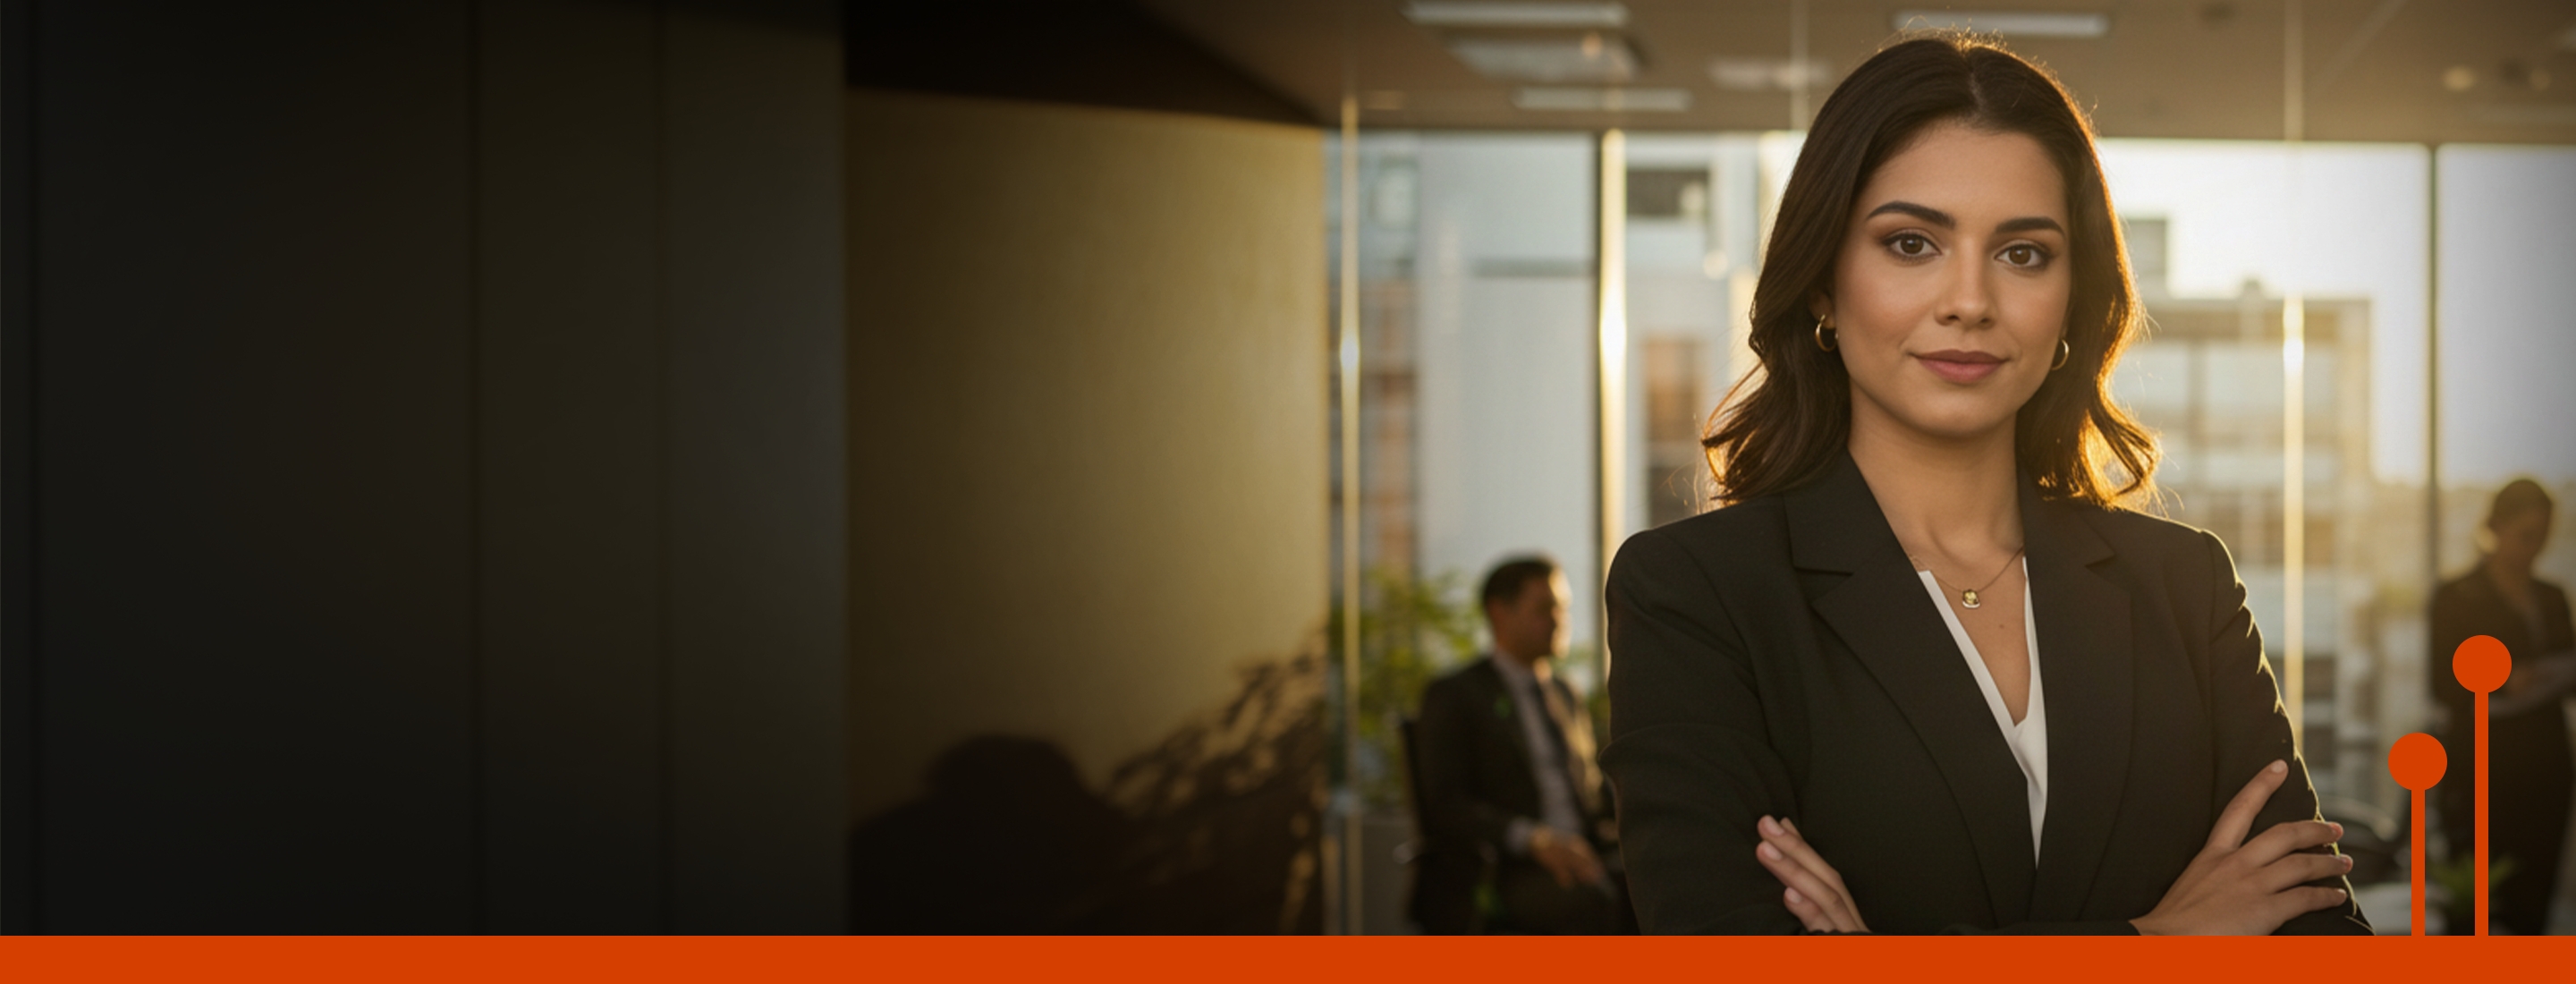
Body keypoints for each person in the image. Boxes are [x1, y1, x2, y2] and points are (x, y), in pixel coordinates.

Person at [1597, 35, 2368, 935]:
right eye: (1911, 243)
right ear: (1822, 287)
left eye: (2023, 253)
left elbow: (2322, 943)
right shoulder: (1696, 592)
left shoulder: (2184, 585)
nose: (1970, 300)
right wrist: (2161, 942)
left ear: (2073, 297)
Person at [1410, 556, 1628, 934]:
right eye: (1544, 609)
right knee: (1597, 902)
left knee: (1666, 882)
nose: (1559, 620)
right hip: (1508, 870)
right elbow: (1447, 804)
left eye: (1563, 608)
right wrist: (1536, 841)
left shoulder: (1566, 694)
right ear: (1499, 613)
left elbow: (1595, 792)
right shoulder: (1457, 695)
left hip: (1587, 851)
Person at [2431, 479, 2575, 935]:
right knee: (2474, 905)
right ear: (2496, 526)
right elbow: (2442, 684)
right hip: (2481, 769)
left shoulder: (2551, 596)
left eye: (2543, 536)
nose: (2535, 548)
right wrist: (2504, 679)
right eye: (2526, 535)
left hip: (2546, 770)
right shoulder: (2457, 596)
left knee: (2533, 901)